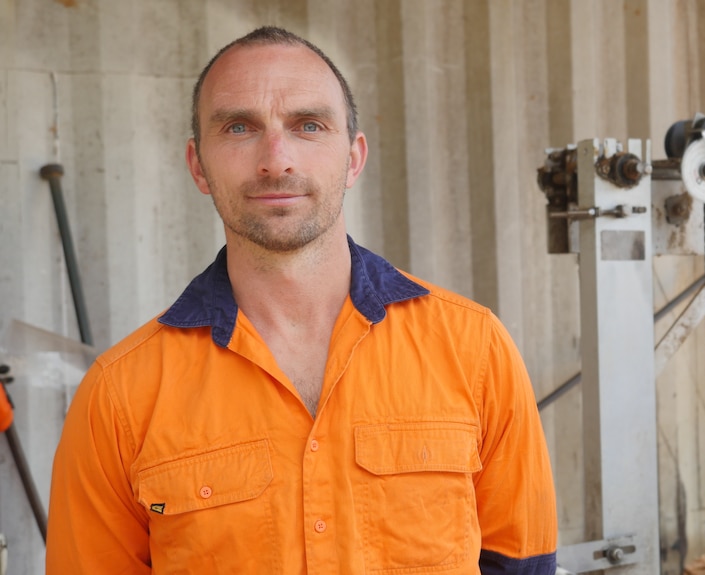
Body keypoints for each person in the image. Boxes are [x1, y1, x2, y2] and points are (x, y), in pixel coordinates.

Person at [46, 26, 558, 574]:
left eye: (308, 125)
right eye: (240, 127)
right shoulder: (119, 396)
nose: (276, 159)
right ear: (198, 166)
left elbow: (522, 564)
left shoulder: (474, 349)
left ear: (353, 158)